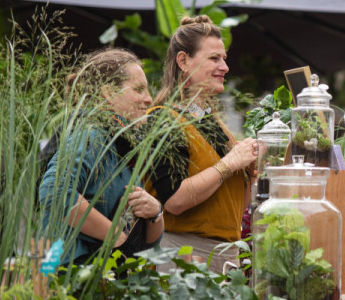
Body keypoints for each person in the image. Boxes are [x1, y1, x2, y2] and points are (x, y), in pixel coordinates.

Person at [150, 15, 257, 273]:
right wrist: (229, 164)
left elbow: (234, 206)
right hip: (185, 258)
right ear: (183, 61)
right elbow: (174, 200)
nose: (225, 67)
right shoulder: (163, 119)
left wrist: (251, 171)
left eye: (224, 59)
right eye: (214, 58)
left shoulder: (210, 122)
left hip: (224, 256)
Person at [39, 48, 164, 265]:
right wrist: (117, 237)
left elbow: (144, 247)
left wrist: (155, 213)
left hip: (99, 280)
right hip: (68, 277)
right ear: (108, 93)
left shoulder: (122, 143)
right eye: (139, 89)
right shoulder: (92, 134)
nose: (149, 99)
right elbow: (54, 192)